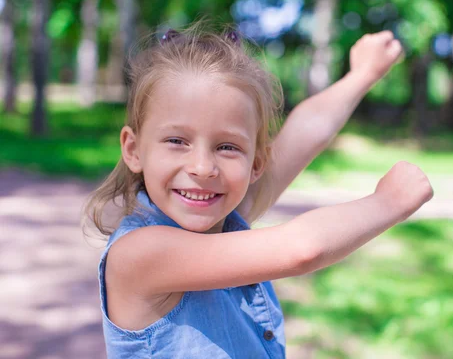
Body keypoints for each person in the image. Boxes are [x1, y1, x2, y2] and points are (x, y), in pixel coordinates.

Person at [84, 22, 433, 359]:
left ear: (256, 163)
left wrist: (362, 74)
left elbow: (306, 129)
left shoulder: (222, 216)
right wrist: (388, 203)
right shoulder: (140, 255)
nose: (203, 167)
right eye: (177, 141)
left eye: (227, 147)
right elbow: (302, 249)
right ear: (133, 149)